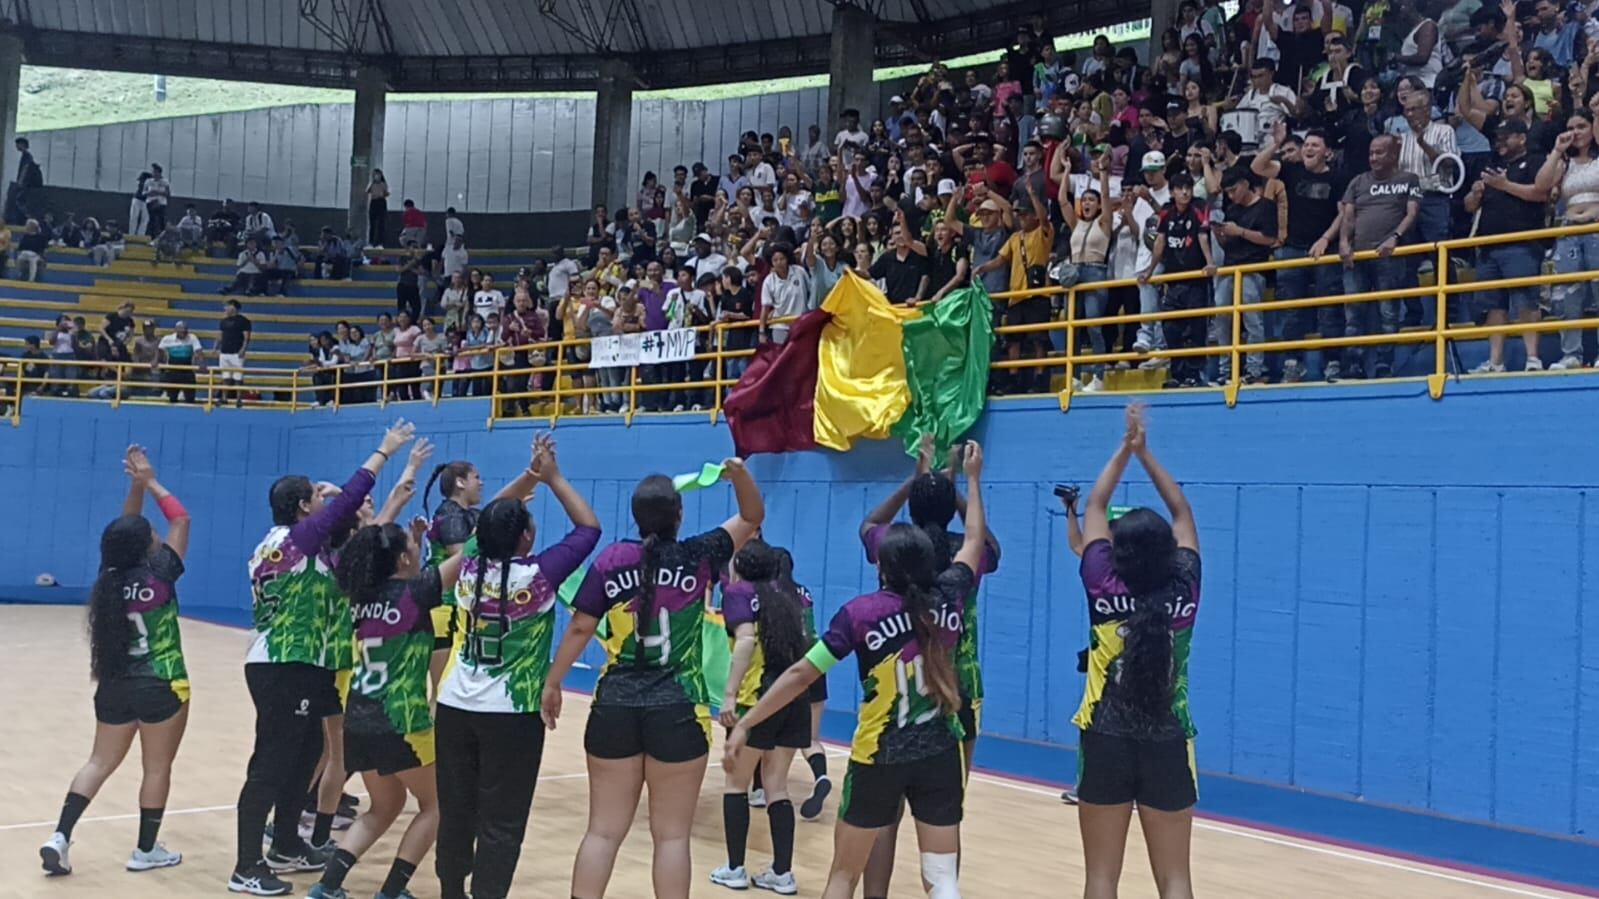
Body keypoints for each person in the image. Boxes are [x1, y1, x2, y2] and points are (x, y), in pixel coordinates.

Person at [728, 441, 988, 899]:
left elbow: (801, 675)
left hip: (878, 756)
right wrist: (970, 479)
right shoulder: (950, 598)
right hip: (939, 752)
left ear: (881, 567)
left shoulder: (860, 615)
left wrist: (747, 722)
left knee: (844, 876)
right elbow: (973, 541)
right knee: (942, 878)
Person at [545, 459, 765, 899]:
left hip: (614, 706)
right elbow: (752, 516)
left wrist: (553, 683)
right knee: (672, 838)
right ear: (678, 516)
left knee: (602, 832)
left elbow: (581, 627)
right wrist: (739, 475)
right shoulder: (699, 554)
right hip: (677, 710)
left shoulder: (612, 560)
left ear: (636, 515)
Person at [230, 421, 414, 897]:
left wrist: (346, 507)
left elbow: (349, 544)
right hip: (284, 663)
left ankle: (286, 844)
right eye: (315, 495)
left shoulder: (296, 547)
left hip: (310, 665)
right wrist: (384, 451)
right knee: (271, 764)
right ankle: (246, 865)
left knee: (306, 756)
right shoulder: (293, 540)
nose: (323, 498)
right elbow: (349, 499)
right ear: (301, 507)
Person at [434, 435, 600, 899]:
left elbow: (490, 517)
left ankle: (450, 892)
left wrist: (529, 478)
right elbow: (588, 528)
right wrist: (552, 477)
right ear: (526, 536)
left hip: (454, 707)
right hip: (512, 714)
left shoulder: (468, 565)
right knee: (502, 821)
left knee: (456, 811)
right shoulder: (540, 576)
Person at [854, 434, 1001, 898]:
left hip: (896, 689)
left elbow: (869, 523)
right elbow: (985, 541)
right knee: (945, 813)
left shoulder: (894, 546)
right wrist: (962, 485)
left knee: (883, 815)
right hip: (958, 688)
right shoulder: (964, 554)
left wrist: (916, 480)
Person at [310, 477, 469, 899]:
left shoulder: (359, 596)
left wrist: (408, 530)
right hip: (402, 722)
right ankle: (392, 890)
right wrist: (516, 493)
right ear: (401, 559)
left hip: (359, 719)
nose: (418, 550)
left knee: (383, 807)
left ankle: (327, 886)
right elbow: (472, 550)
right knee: (438, 806)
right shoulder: (415, 593)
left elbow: (370, 547)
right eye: (413, 547)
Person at [41, 446, 191, 877]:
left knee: (98, 762)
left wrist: (135, 486)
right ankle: (145, 850)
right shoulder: (161, 573)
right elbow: (181, 519)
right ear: (146, 545)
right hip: (162, 683)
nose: (155, 535)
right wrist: (152, 481)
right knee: (156, 767)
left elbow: (127, 529)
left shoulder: (108, 578)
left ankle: (60, 837)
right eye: (150, 534)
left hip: (115, 684)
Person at [1074, 403, 1201, 899]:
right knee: (1175, 879)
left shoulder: (1101, 582)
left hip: (1105, 737)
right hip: (1167, 739)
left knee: (1101, 878)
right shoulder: (1185, 586)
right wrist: (1146, 453)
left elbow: (1095, 506)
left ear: (1117, 552)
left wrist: (1126, 450)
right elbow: (1182, 512)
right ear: (1170, 551)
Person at [709, 540, 812, 893]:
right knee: (776, 787)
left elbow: (746, 640)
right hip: (792, 698)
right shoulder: (788, 596)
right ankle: (782, 873)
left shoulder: (738, 593)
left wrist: (729, 694)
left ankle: (735, 868)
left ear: (739, 568)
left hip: (757, 699)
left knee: (736, 784)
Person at [1467, 120, 1554, 373]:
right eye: (1498, 138)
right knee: (1493, 305)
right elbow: (1469, 206)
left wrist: (1504, 185)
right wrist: (1475, 194)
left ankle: (1533, 358)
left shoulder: (1536, 161)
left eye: (1506, 137)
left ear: (1522, 138)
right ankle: (1495, 362)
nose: (1500, 142)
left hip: (1522, 243)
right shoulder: (1493, 167)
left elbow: (1541, 194)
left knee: (1525, 301)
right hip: (1488, 246)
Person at [1337, 135, 1421, 381]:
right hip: (1357, 256)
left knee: (1388, 313)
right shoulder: (1358, 181)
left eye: (1379, 152)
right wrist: (1343, 243)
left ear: (1393, 155)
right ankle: (1354, 365)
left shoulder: (1408, 179)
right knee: (1353, 314)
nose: (1373, 157)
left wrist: (1395, 237)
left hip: (1390, 256)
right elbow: (1348, 217)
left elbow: (1412, 213)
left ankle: (1385, 364)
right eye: (1371, 153)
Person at [974, 177, 1053, 393]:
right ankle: (1013, 379)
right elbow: (1000, 260)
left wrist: (1034, 195)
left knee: (1038, 340)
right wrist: (982, 268)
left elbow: (1044, 218)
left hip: (1038, 294)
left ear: (1033, 215)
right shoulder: (1015, 238)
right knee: (1014, 341)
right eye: (1019, 215)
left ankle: (1040, 379)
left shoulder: (1043, 232)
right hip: (1016, 296)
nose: (1021, 218)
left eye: (1025, 214)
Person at [1139, 173, 1216, 389]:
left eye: (1188, 188)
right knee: (1171, 329)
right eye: (1180, 189)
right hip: (1173, 282)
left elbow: (1202, 236)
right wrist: (1150, 271)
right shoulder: (1166, 211)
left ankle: (1194, 375)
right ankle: (1178, 374)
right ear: (1172, 192)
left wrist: (1210, 263)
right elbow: (1160, 241)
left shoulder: (1199, 207)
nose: (1185, 192)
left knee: (1196, 329)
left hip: (1195, 281)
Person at [1545, 112, 1599, 370]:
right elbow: (1542, 186)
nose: (1575, 132)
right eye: (1570, 127)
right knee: (1568, 294)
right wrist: (1557, 151)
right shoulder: (1564, 163)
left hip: (1597, 228)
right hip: (1569, 230)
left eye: (1582, 126)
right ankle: (1571, 354)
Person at [217, 299, 253, 408]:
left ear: (233, 307)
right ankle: (224, 398)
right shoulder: (223, 321)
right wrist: (216, 347)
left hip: (236, 353)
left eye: (227, 306)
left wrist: (243, 349)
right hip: (224, 352)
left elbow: (246, 337)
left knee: (238, 377)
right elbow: (220, 335)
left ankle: (238, 399)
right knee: (225, 376)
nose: (225, 309)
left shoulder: (244, 321)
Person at [157, 322, 204, 404]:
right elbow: (159, 350)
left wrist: (201, 362)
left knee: (190, 399)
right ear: (176, 330)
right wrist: (156, 361)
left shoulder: (192, 337)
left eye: (185, 329)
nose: (184, 331)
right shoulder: (167, 338)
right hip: (173, 371)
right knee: (172, 398)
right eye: (181, 329)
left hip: (187, 371)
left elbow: (198, 351)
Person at [145, 164, 171, 237]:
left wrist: (158, 192)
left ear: (159, 173)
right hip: (151, 202)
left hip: (161, 203)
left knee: (161, 220)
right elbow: (144, 192)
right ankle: (151, 236)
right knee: (151, 220)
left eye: (155, 172)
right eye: (153, 172)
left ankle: (161, 236)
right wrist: (150, 193)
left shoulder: (165, 182)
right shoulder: (148, 181)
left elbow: (168, 193)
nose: (154, 174)